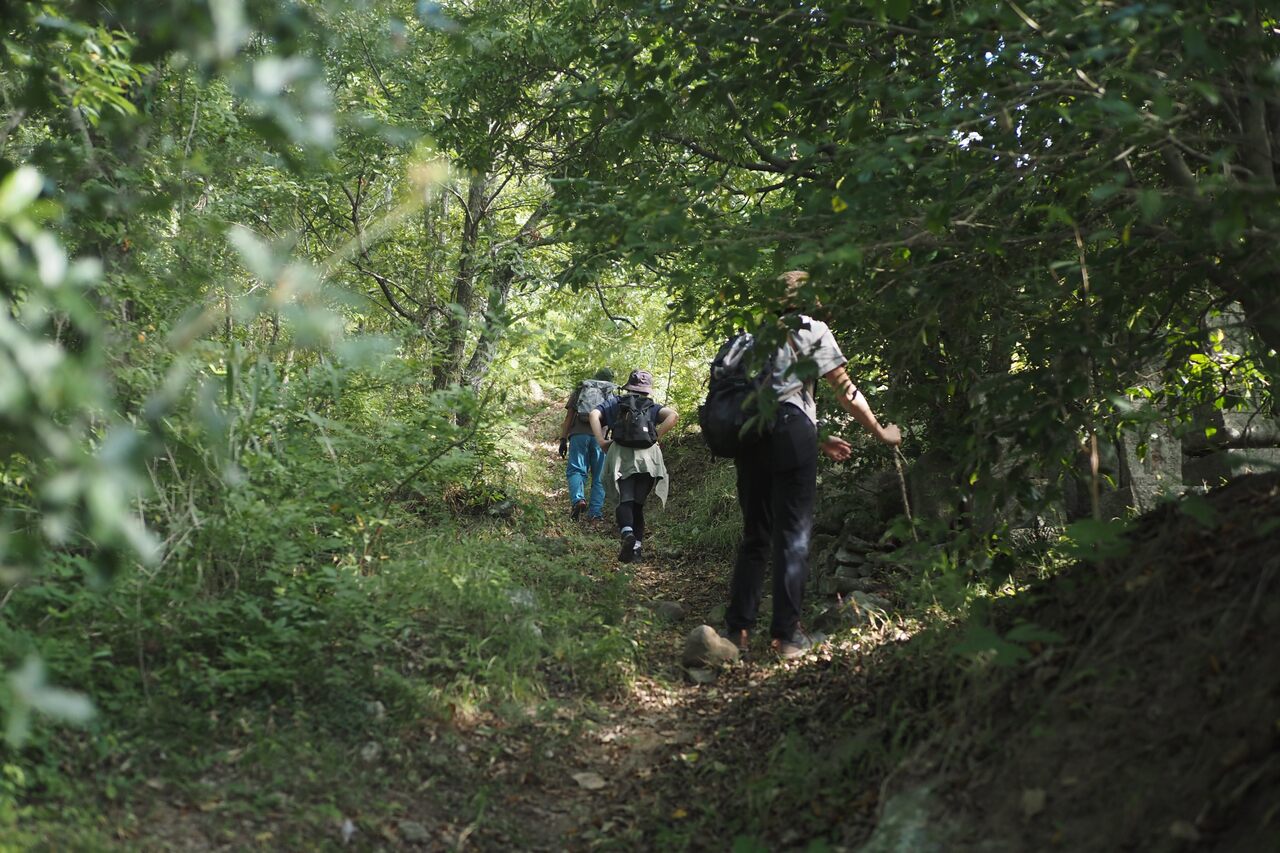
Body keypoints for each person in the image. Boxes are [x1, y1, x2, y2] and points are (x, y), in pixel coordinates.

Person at [724, 271, 902, 659]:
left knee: (756, 535)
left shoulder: (751, 336)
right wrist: (879, 431)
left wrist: (819, 439)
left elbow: (767, 397)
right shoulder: (811, 328)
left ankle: (736, 632)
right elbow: (845, 390)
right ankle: (786, 637)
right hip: (791, 434)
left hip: (749, 436)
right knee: (793, 536)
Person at [588, 369, 678, 563]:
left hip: (622, 457)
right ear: (647, 389)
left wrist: (601, 441)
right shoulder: (652, 407)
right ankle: (636, 550)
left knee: (624, 500)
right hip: (649, 461)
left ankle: (627, 533)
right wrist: (656, 436)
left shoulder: (616, 403)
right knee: (638, 505)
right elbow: (673, 416)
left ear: (629, 385)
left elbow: (594, 415)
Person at [559, 368, 616, 522]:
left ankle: (578, 500)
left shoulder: (582, 388)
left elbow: (569, 417)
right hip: (601, 438)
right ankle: (595, 513)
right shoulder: (610, 392)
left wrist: (563, 439)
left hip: (579, 435)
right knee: (599, 476)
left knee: (576, 470)